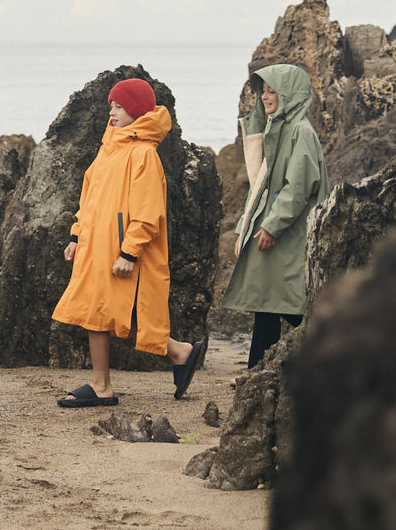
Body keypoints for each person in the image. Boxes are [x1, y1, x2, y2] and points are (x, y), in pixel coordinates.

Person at [51, 78, 201, 407]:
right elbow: (89, 199)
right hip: (96, 247)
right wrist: (77, 235)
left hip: (122, 252)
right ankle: (106, 382)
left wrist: (129, 252)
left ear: (135, 110)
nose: (112, 112)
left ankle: (175, 353)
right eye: (111, 106)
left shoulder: (144, 154)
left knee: (126, 316)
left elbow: (148, 213)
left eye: (119, 106)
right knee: (97, 312)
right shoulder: (109, 150)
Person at [220, 65, 328, 368]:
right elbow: (260, 188)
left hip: (288, 233)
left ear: (289, 93)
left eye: (272, 91)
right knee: (267, 303)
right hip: (275, 231)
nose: (266, 97)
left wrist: (271, 226)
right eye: (263, 91)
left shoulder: (300, 132)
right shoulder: (278, 129)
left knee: (291, 305)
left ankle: (330, 356)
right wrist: (246, 227)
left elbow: (299, 188)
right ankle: (257, 372)